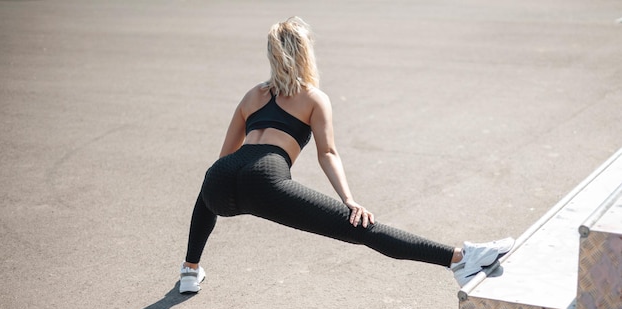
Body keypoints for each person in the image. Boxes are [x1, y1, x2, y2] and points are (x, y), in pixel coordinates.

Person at [179, 16, 513, 294]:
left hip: (221, 183)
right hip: (263, 179)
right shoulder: (313, 98)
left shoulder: (254, 94)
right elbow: (328, 153)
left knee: (208, 185)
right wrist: (349, 201)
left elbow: (224, 160)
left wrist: (218, 184)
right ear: (305, 53)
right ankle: (460, 259)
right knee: (359, 229)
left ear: (273, 55)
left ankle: (189, 271)